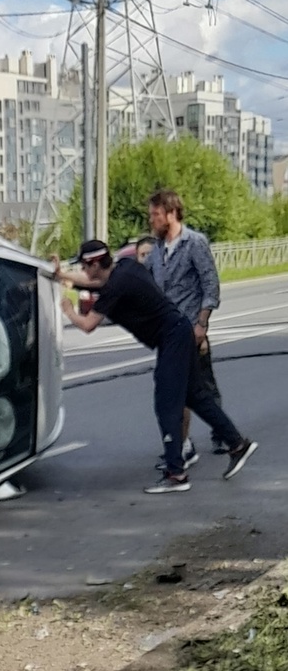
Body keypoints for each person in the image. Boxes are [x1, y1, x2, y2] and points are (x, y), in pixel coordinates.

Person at [55, 238, 256, 493]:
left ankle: (176, 474)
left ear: (95, 263)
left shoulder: (115, 287)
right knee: (195, 396)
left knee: (167, 404)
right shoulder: (125, 267)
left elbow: (87, 325)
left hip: (172, 338)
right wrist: (61, 275)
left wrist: (69, 311)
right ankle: (238, 444)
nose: (83, 271)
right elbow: (95, 282)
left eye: (85, 265)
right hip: (178, 332)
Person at [147, 188, 223, 461]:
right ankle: (187, 444)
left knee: (201, 386)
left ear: (171, 213)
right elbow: (145, 282)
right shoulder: (156, 249)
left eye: (155, 215)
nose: (152, 220)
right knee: (186, 389)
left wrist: (202, 324)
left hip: (191, 328)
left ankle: (213, 438)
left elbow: (210, 284)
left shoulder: (194, 243)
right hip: (169, 332)